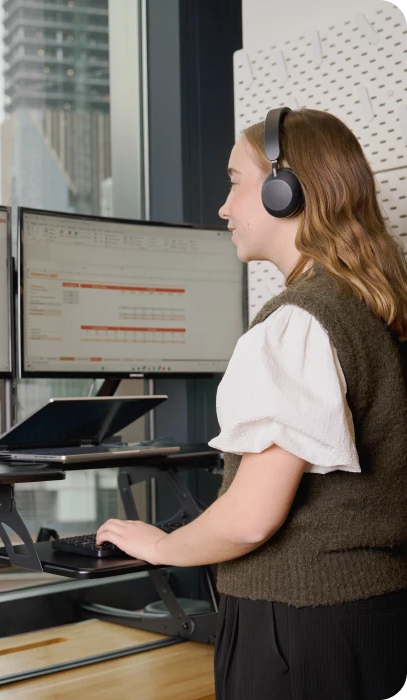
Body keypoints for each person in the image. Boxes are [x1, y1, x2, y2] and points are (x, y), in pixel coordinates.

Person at [96, 108, 407, 699]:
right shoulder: (378, 309)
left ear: (283, 191)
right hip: (375, 617)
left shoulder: (297, 323)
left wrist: (160, 546)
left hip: (302, 631)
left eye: (235, 182)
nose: (223, 207)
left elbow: (250, 518)